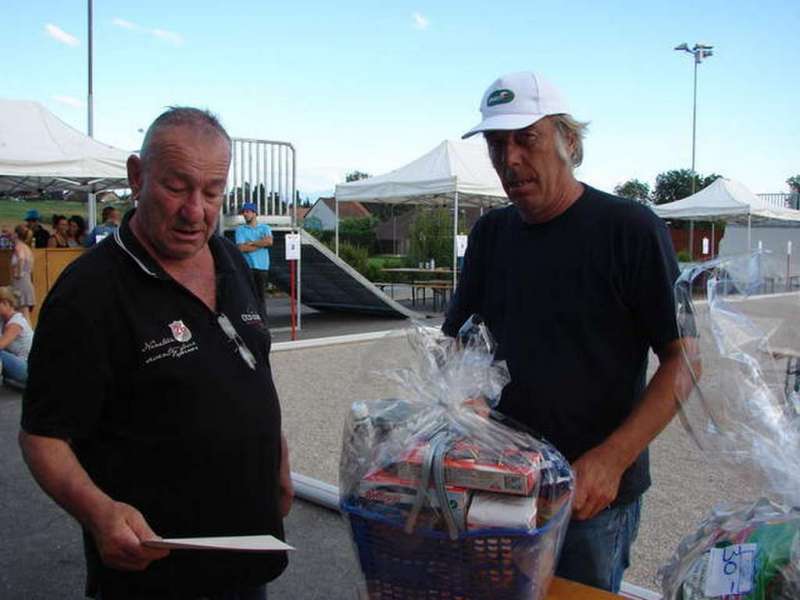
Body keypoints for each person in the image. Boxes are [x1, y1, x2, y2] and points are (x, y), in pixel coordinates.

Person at [19, 107, 292, 600]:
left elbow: (252, 368)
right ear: (136, 177)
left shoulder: (230, 258)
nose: (195, 211)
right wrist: (99, 513)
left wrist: (278, 454)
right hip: (156, 572)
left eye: (212, 192)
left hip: (248, 558)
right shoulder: (89, 293)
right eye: (176, 187)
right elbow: (43, 438)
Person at [443, 71, 696, 593]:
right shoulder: (491, 234)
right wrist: (461, 395)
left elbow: (685, 358)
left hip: (589, 499)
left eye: (525, 139)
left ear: (569, 142)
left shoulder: (629, 229)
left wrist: (613, 459)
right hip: (496, 484)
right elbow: (460, 342)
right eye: (496, 144)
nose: (509, 159)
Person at [235, 202, 273, 303]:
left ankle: (262, 318)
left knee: (261, 299)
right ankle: (251, 318)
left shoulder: (265, 228)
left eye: (247, 211)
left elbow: (269, 241)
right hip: (247, 267)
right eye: (243, 212)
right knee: (247, 298)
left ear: (255, 213)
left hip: (262, 267)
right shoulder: (240, 230)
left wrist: (251, 243)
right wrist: (261, 244)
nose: (245, 214)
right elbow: (241, 248)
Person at [0, 286, 33, 385]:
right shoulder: (2, 321)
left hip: (27, 368)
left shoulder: (16, 322)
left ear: (5, 303)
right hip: (17, 364)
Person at [10, 224, 35, 321]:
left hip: (20, 283)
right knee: (25, 314)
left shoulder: (18, 246)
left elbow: (21, 258)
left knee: (22, 314)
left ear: (16, 234)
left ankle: (28, 335)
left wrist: (18, 273)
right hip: (27, 281)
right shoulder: (27, 248)